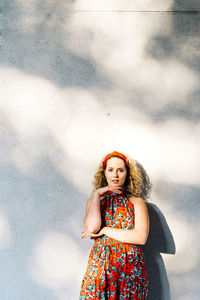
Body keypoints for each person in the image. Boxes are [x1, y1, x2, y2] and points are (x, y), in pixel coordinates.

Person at [79, 151, 151, 299]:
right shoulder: (94, 201)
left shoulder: (137, 202)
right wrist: (96, 195)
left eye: (120, 170)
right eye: (110, 170)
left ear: (128, 173)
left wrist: (105, 230)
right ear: (104, 173)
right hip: (101, 265)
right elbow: (92, 228)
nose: (115, 175)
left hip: (130, 268)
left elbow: (141, 237)